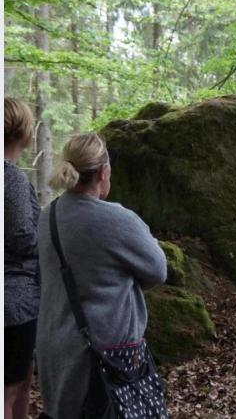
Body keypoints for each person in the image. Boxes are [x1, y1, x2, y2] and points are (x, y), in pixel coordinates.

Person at [36, 133, 167, 418]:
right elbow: (158, 270)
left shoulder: (48, 217)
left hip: (53, 349)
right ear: (104, 172)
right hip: (104, 356)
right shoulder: (117, 219)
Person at [4, 98, 40, 419]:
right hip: (14, 302)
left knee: (22, 383)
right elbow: (22, 236)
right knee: (10, 389)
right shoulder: (11, 178)